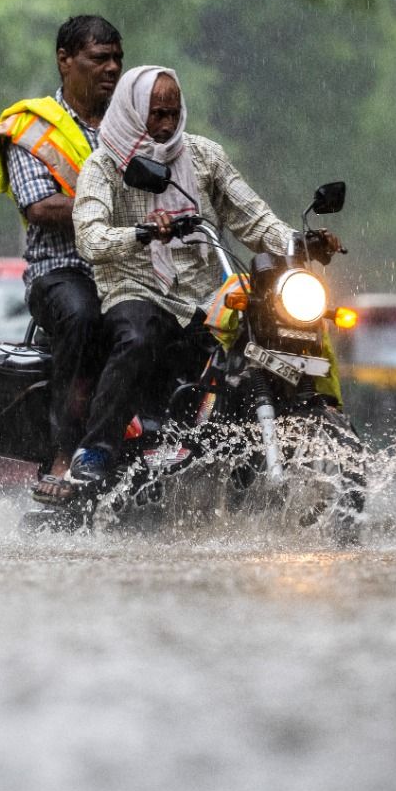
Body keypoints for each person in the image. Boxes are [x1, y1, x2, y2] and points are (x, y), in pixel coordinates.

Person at [69, 65, 340, 484]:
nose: (165, 125)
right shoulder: (104, 166)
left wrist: (299, 241)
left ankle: (261, 441)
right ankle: (97, 449)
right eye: (156, 114)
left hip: (207, 293)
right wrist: (141, 234)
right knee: (138, 338)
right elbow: (90, 238)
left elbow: (252, 217)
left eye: (173, 114)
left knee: (271, 336)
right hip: (137, 287)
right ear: (131, 110)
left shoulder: (203, 156)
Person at [0, 15, 123, 503]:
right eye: (99, 58)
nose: (112, 68)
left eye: (117, 58)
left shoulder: (141, 124)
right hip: (63, 272)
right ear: (65, 60)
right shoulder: (30, 129)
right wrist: (115, 211)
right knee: (83, 318)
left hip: (133, 269)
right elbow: (40, 207)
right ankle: (65, 454)